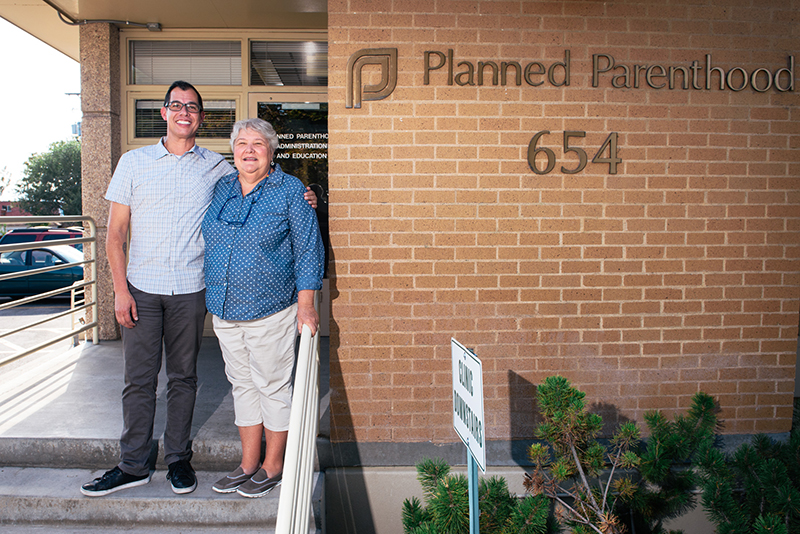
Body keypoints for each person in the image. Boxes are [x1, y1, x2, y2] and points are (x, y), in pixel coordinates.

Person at [80, 81, 317, 497]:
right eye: (176, 105)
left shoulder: (218, 168)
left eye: (192, 106)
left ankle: (178, 461)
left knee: (184, 378)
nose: (184, 112)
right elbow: (115, 234)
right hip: (143, 289)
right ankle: (133, 463)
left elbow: (272, 194)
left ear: (201, 118)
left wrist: (307, 195)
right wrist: (119, 289)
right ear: (164, 113)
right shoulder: (134, 163)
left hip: (192, 290)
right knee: (139, 379)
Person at [203, 118, 324, 498]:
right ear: (233, 151)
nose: (249, 150)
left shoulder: (290, 190)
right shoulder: (222, 187)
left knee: (272, 387)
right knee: (242, 386)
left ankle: (274, 466)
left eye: (258, 143)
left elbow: (308, 249)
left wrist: (307, 305)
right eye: (242, 143)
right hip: (224, 308)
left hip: (270, 308)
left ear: (271, 152)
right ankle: (247, 463)